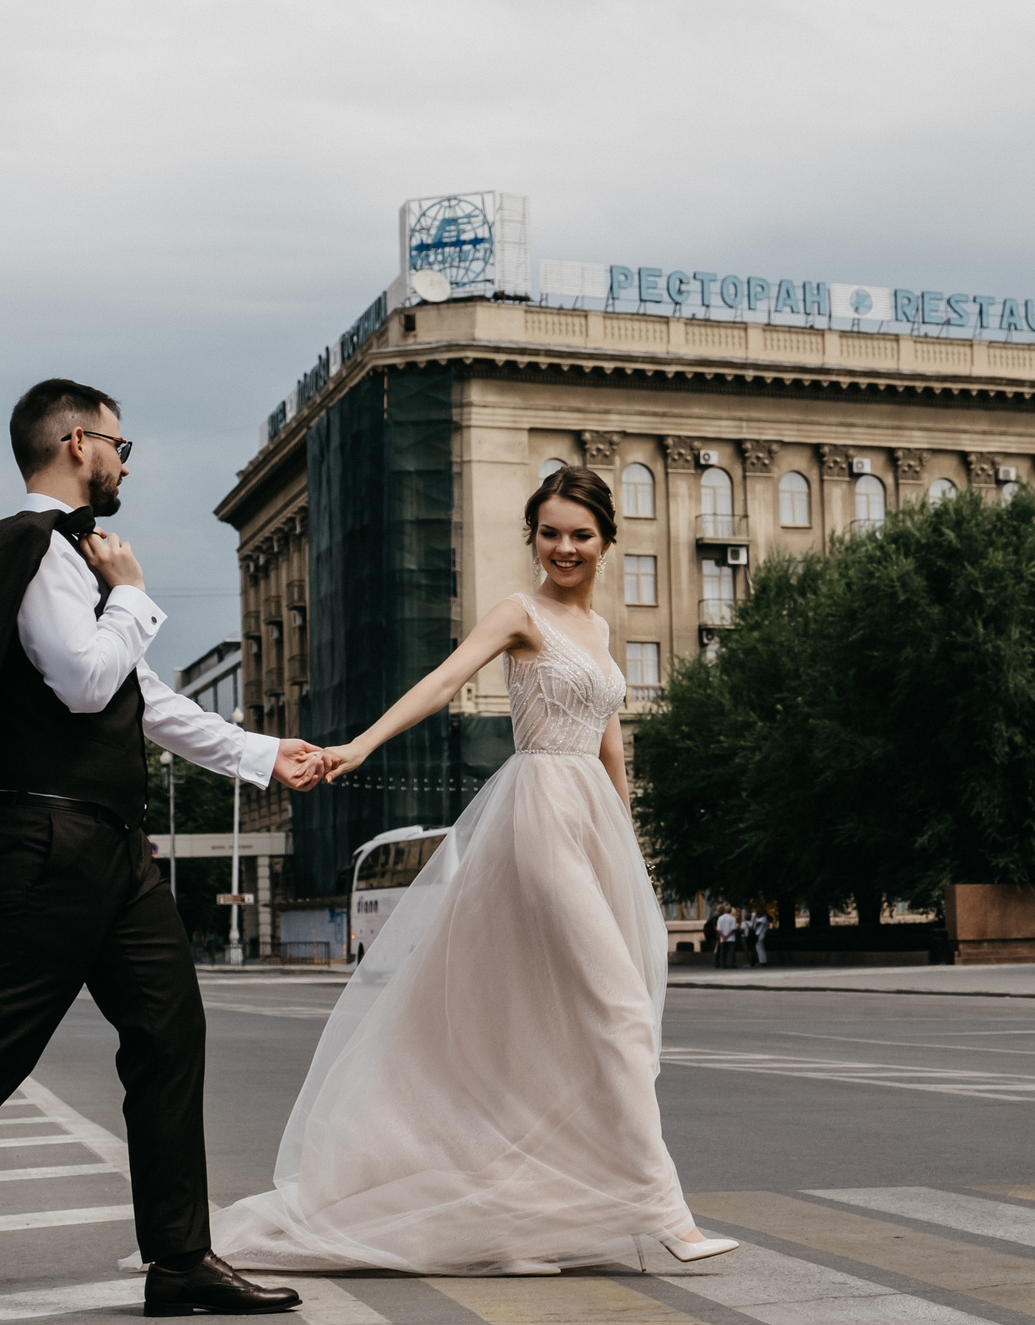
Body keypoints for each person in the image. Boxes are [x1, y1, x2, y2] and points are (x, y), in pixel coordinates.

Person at [0, 378, 329, 1325]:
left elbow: (147, 704)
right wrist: (132, 594)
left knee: (170, 1033)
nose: (128, 463)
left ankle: (178, 1260)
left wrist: (263, 756)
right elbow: (88, 684)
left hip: (112, 847)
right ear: (80, 442)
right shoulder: (35, 548)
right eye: (122, 446)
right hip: (47, 842)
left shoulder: (77, 559)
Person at [212, 466, 737, 1274]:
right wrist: (360, 744)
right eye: (550, 532)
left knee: (543, 1029)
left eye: (580, 534)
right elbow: (445, 680)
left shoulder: (602, 629)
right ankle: (666, 1213)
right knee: (620, 1012)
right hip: (538, 813)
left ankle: (518, 1220)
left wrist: (628, 840)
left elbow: (609, 738)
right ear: (533, 537)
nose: (563, 547)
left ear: (606, 541)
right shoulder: (517, 613)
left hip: (593, 820)